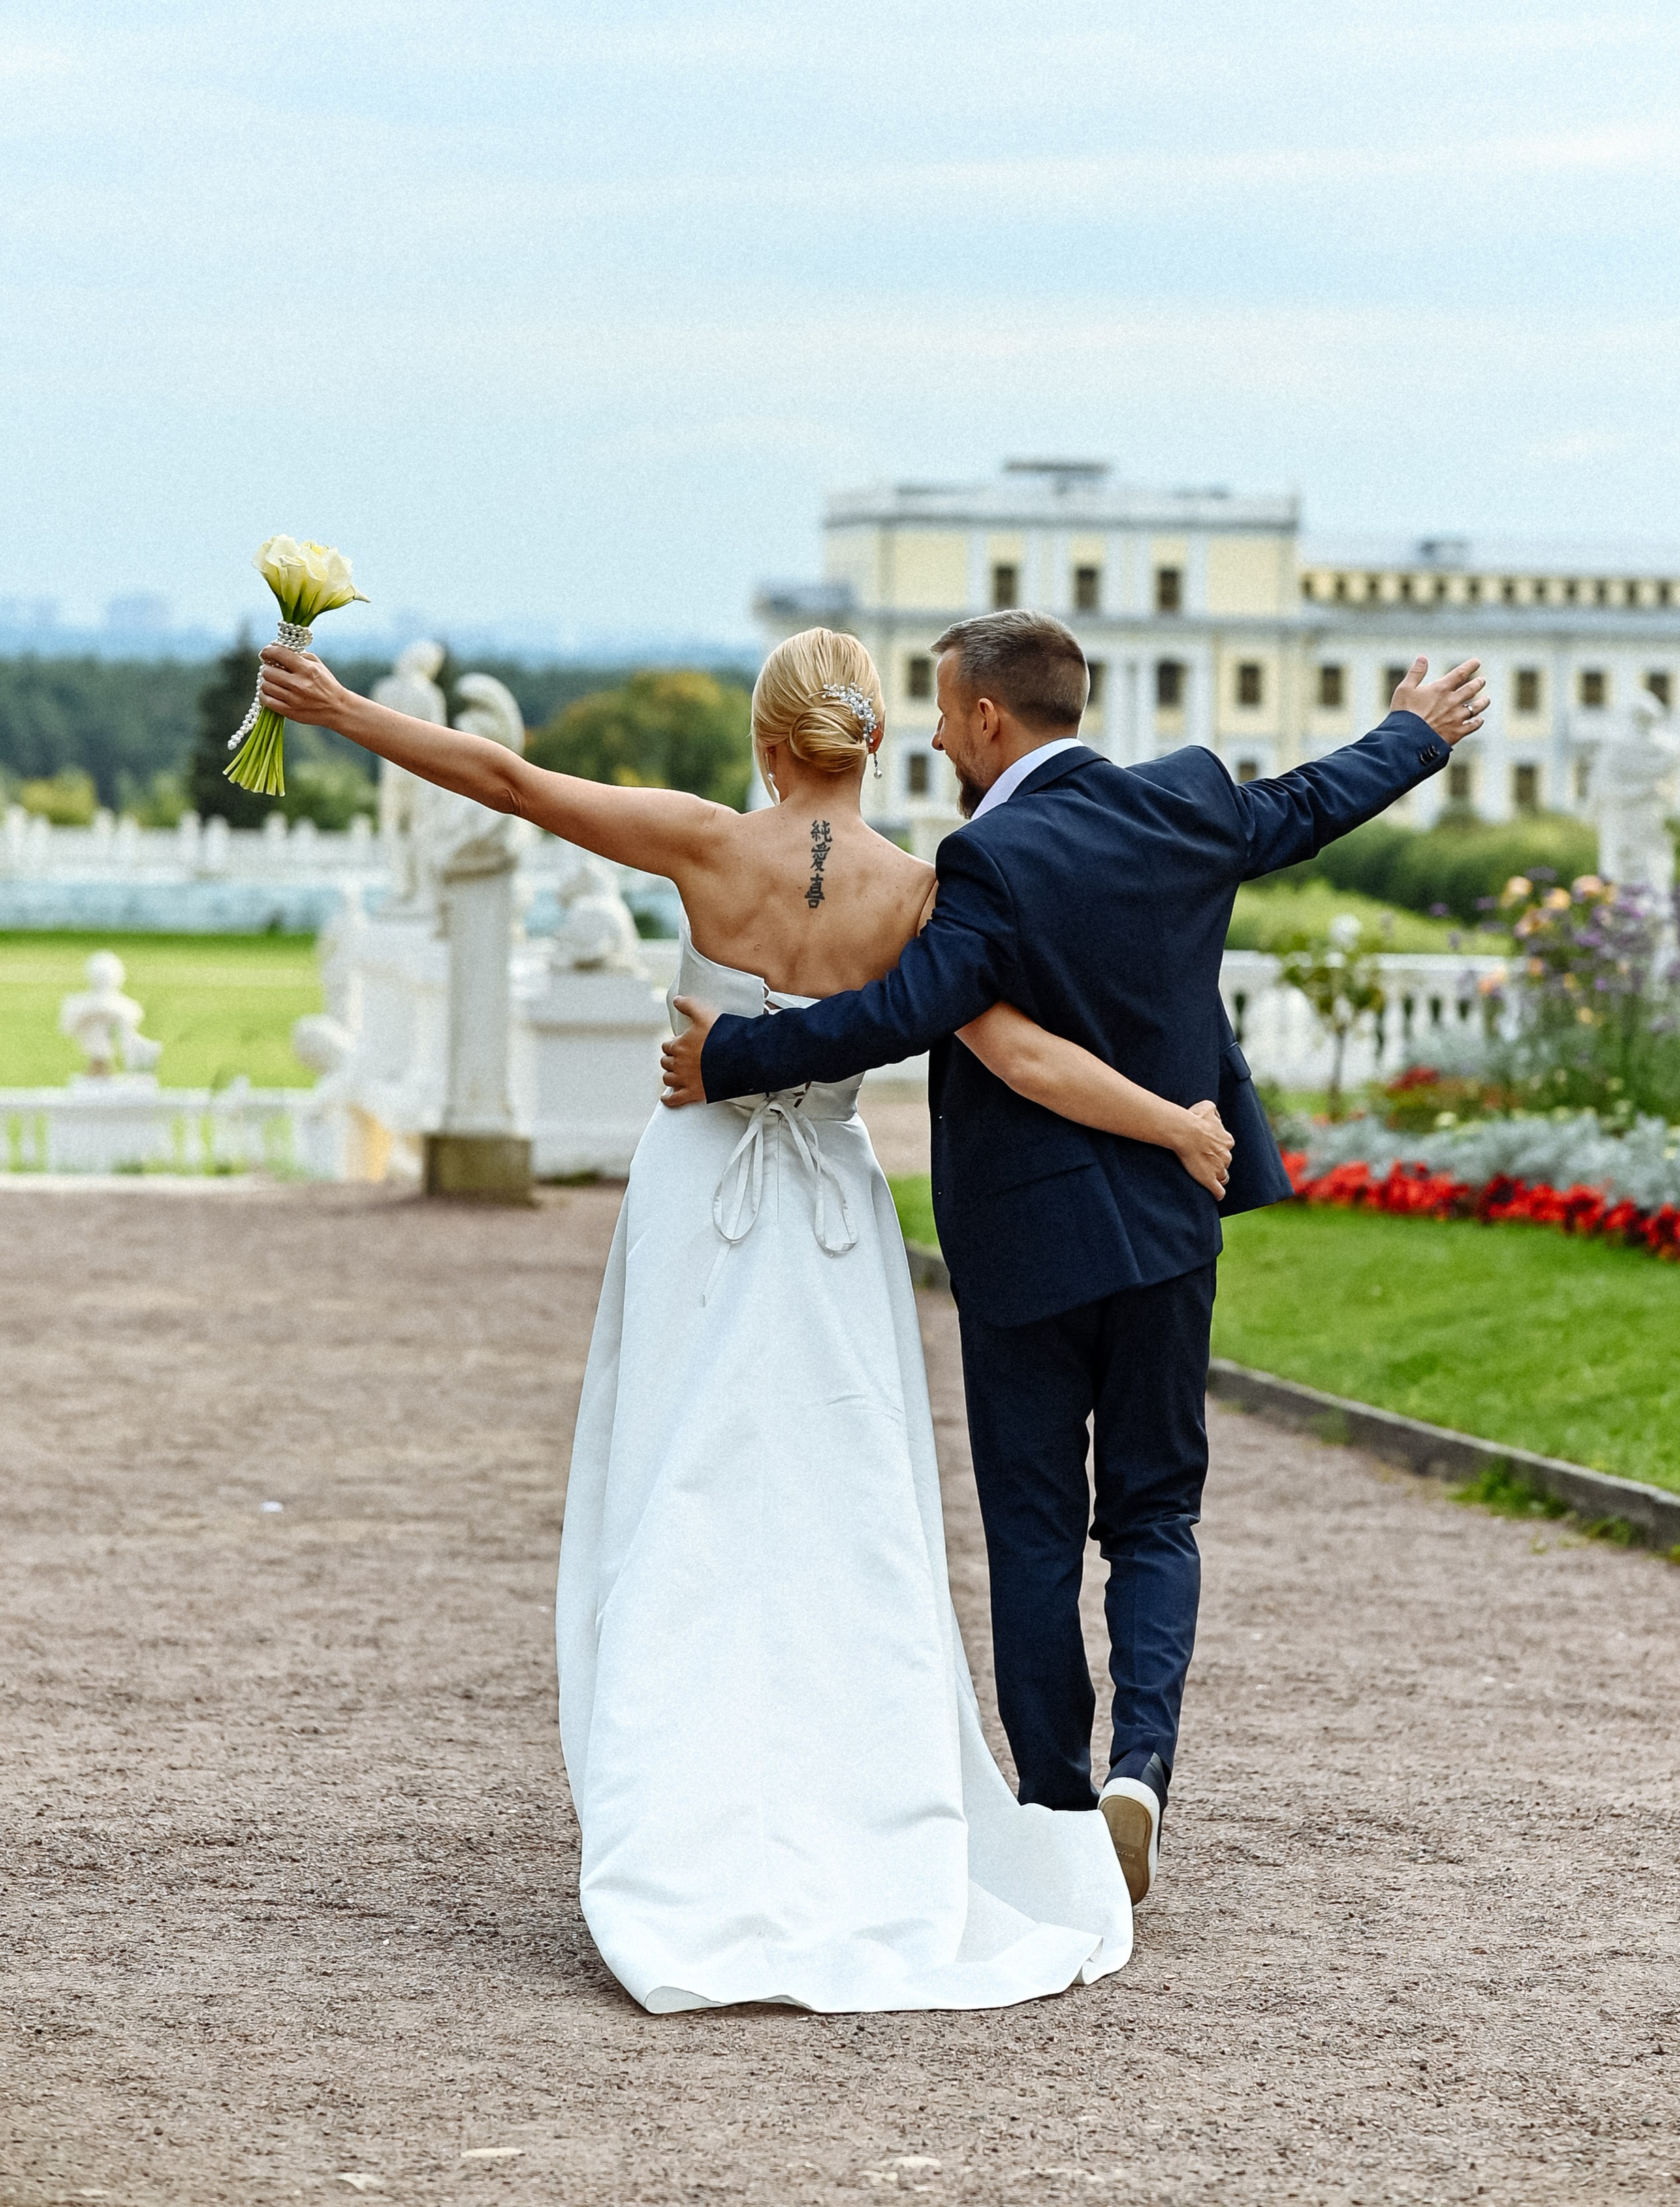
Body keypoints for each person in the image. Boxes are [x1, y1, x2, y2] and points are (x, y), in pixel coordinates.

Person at [254, 626, 1233, 2014]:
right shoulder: (920, 886)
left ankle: (676, 1807)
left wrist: (340, 709)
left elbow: (506, 779)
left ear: (766, 744)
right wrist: (1174, 1125)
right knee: (847, 1509)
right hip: (834, 1219)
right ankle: (867, 1812)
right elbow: (1015, 1050)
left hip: (698, 1202)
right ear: (878, 743)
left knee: (677, 1484)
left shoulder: (708, 844)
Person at [660, 610, 1488, 1907]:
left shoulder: (983, 860)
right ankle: (1140, 1772)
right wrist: (1416, 734)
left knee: (1035, 1536)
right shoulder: (1190, 805)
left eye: (940, 712)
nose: (929, 735)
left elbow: (900, 1014)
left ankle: (1055, 1808)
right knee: (1157, 1515)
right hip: (1171, 1222)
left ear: (991, 720)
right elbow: (1313, 803)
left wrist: (734, 1059)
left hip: (1028, 1243)